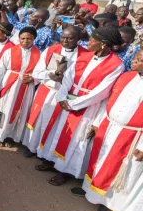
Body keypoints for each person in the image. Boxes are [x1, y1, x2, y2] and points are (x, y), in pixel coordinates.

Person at [37, 27, 124, 186]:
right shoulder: (85, 56)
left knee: (75, 138)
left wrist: (73, 104)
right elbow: (69, 76)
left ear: (103, 44)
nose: (88, 42)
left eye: (92, 40)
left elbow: (101, 92)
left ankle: (64, 170)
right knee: (59, 130)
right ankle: (52, 160)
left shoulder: (116, 65)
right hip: (67, 98)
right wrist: (62, 96)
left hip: (86, 106)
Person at [71, 50, 143, 211]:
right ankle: (90, 191)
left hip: (131, 136)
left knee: (119, 170)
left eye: (140, 59)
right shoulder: (126, 76)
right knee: (98, 159)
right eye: (136, 57)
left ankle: (110, 204)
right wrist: (97, 122)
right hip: (109, 126)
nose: (134, 61)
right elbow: (109, 101)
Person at [23, 26, 86, 157]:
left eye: (70, 38)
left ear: (78, 39)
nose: (65, 40)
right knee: (39, 120)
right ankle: (32, 147)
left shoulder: (85, 55)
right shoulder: (52, 50)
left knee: (55, 125)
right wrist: (51, 74)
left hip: (64, 95)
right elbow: (37, 72)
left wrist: (64, 79)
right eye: (63, 37)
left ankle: (46, 153)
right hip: (47, 91)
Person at [0, 27, 41, 147]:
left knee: (20, 111)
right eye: (23, 38)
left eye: (29, 39)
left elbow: (41, 71)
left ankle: (11, 136)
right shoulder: (10, 51)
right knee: (5, 108)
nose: (25, 41)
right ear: (19, 38)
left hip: (26, 86)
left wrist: (33, 78)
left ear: (34, 39)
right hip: (10, 84)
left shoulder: (39, 53)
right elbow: (0, 69)